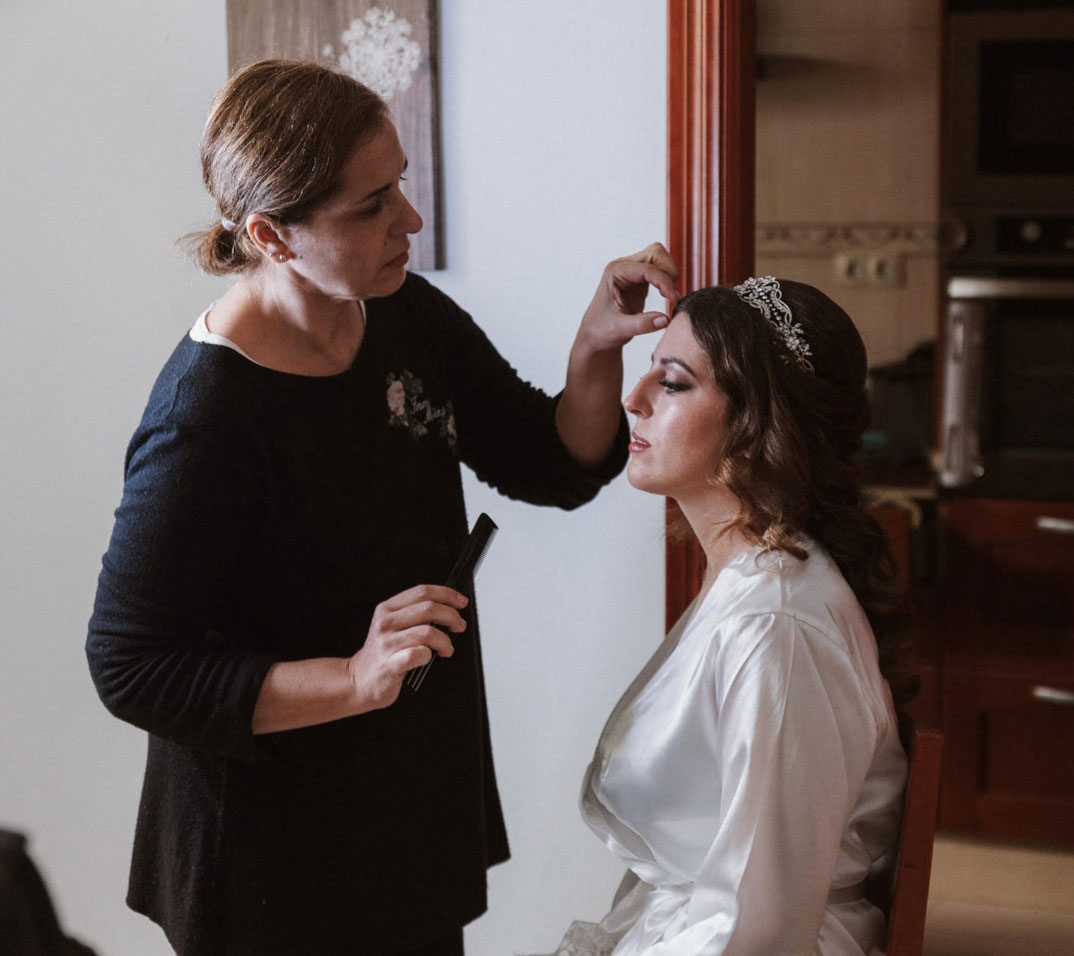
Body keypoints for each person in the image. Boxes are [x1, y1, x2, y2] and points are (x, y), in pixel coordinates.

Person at [85, 59, 678, 956]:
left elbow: (552, 461)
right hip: (268, 865)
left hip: (404, 815)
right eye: (371, 206)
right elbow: (130, 664)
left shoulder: (400, 314)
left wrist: (597, 343)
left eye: (399, 183)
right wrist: (353, 678)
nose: (410, 219)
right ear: (272, 236)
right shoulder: (206, 418)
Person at [537, 278, 914, 956]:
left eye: (672, 383)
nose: (634, 399)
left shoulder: (774, 624)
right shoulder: (744, 580)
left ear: (755, 428)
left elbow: (757, 926)